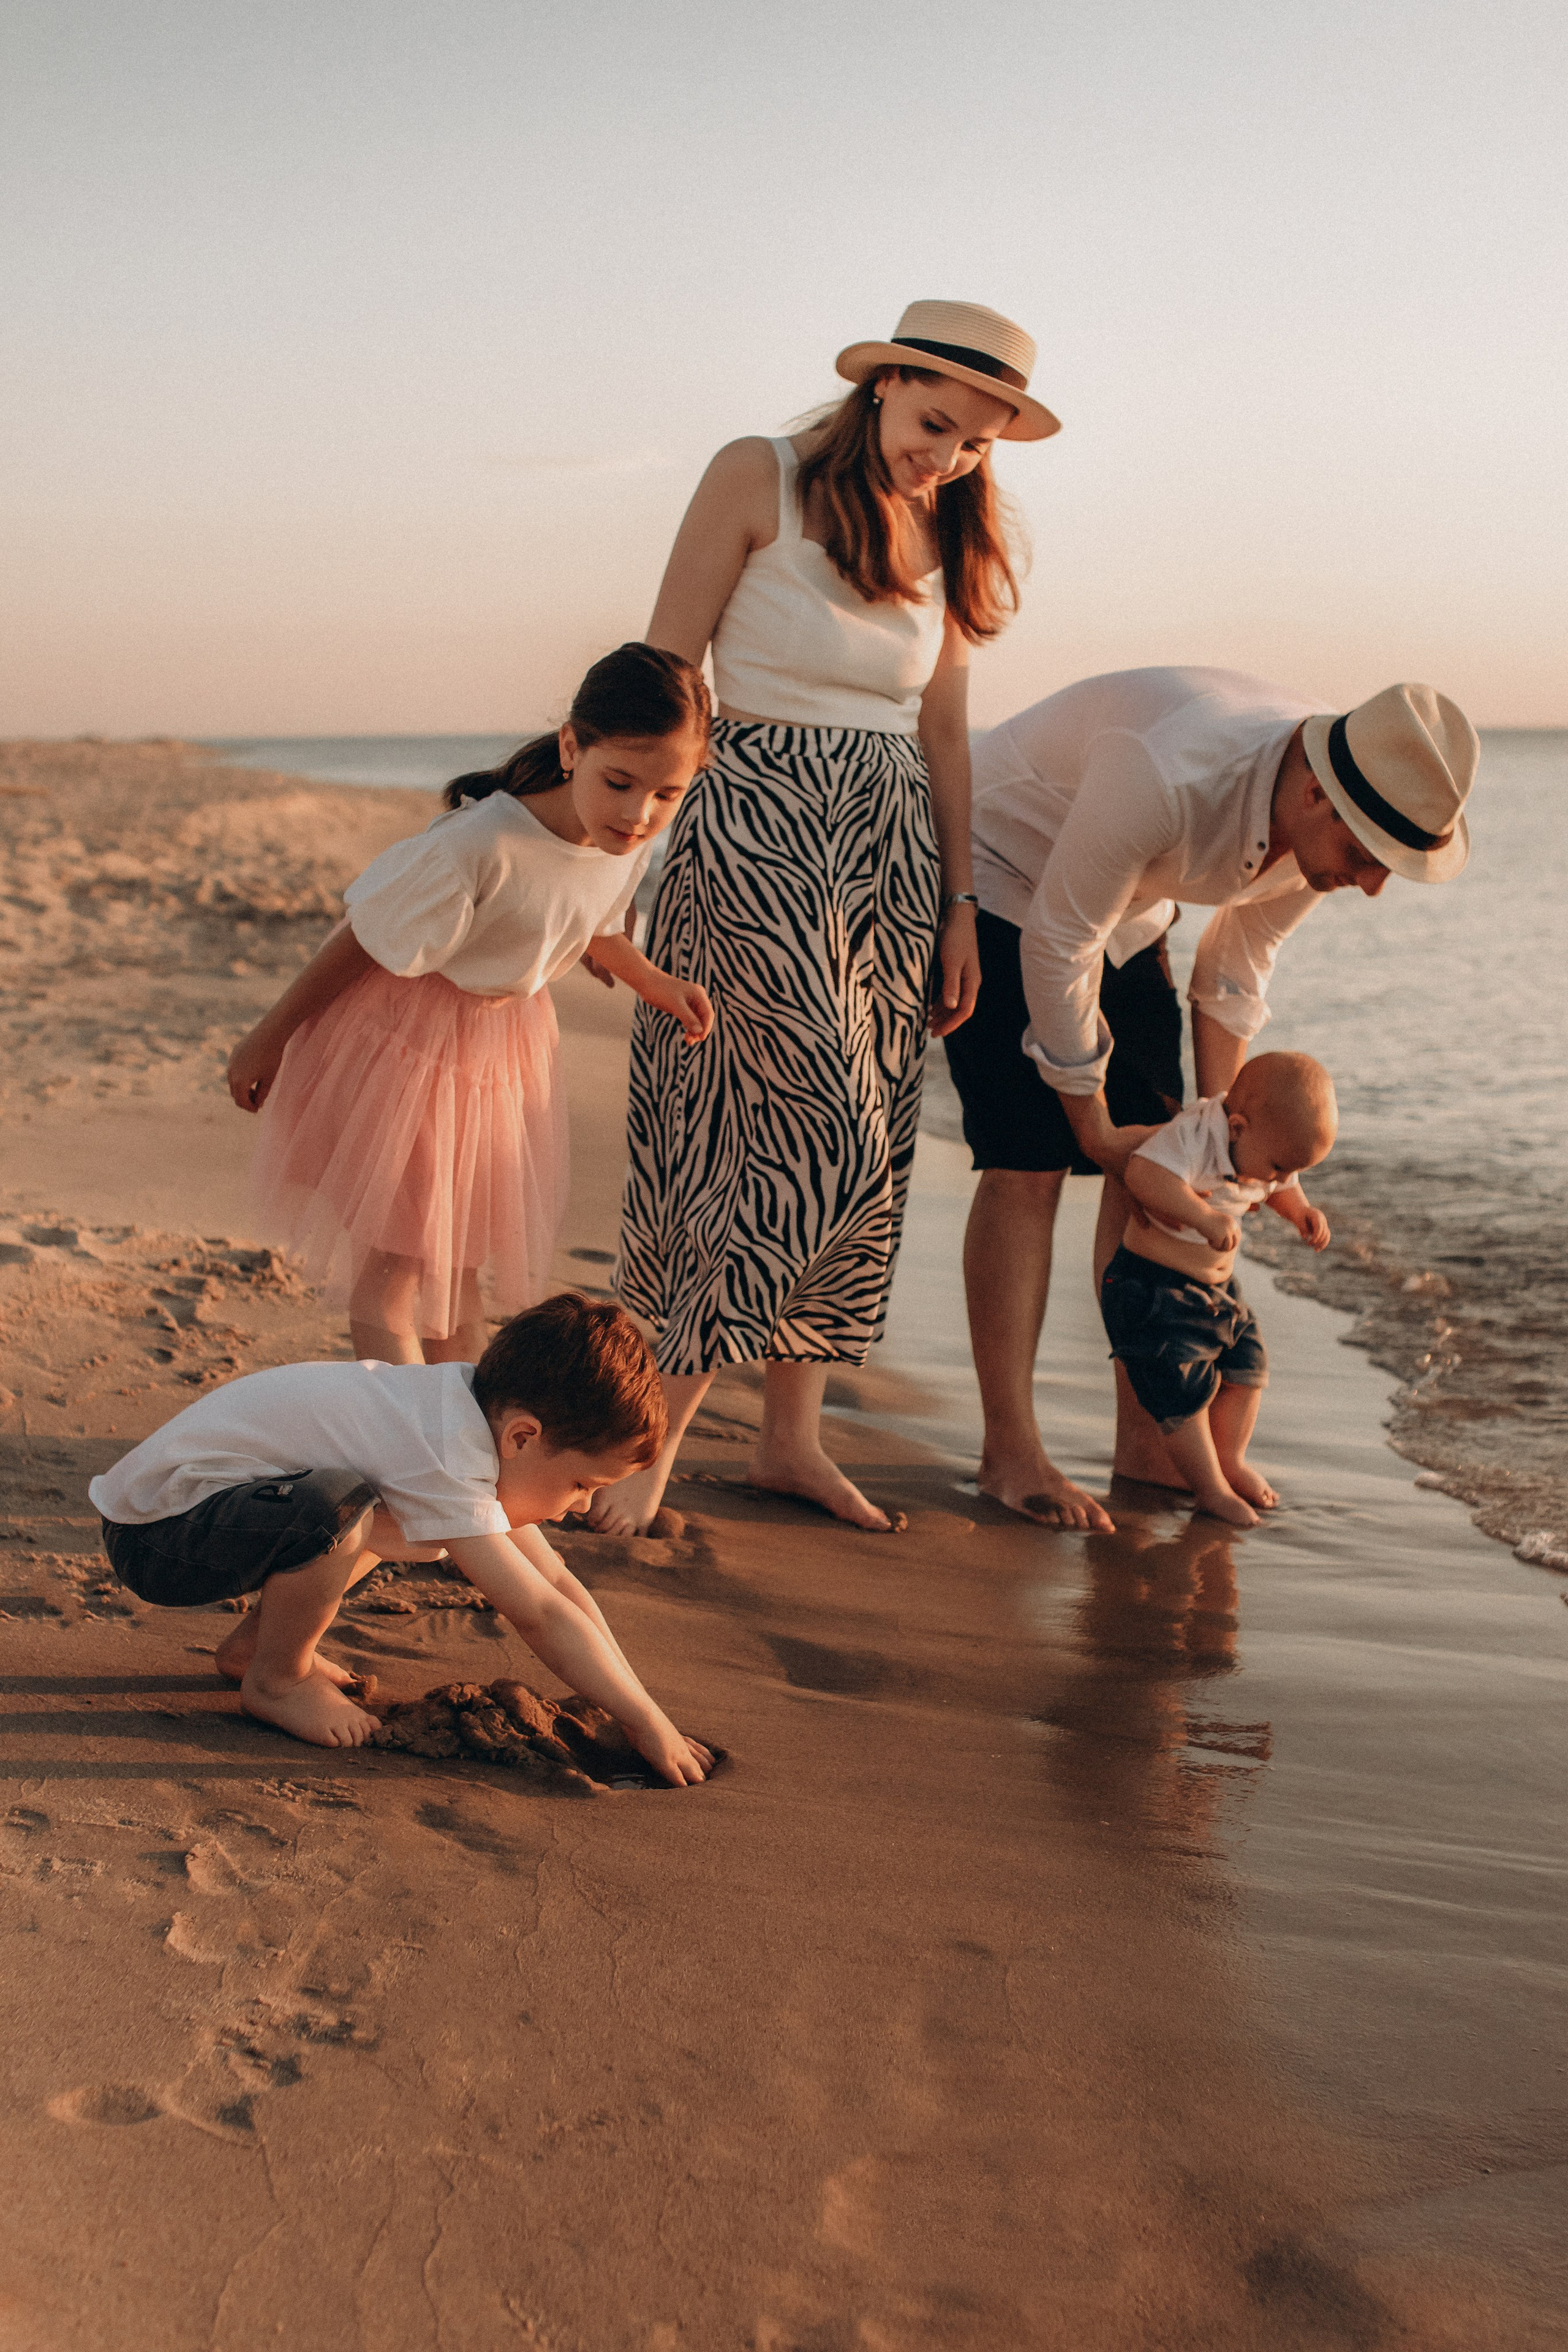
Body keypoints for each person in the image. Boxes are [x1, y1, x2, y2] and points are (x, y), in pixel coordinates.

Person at [597, 300, 1059, 1537]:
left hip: (886, 859)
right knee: (775, 1135)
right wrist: (618, 853)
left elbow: (944, 732)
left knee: (864, 1150)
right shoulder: (762, 475)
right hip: (748, 824)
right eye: (931, 422)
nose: (946, 456)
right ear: (882, 383)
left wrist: (960, 906)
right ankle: (653, 1441)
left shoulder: (954, 533)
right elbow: (664, 667)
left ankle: (789, 1441)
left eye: (973, 442)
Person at [945, 669, 1478, 1528]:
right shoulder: (1168, 774)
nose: (1373, 886)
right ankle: (1011, 1452)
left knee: (1155, 1150)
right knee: (1034, 1157)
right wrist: (1089, 1122)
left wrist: (1219, 1146)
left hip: (1128, 899)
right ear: (1314, 793)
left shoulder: (1317, 828)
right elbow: (1056, 942)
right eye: (1368, 860)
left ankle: (1151, 1440)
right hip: (1001, 866)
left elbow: (1234, 970)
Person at [227, 644, 713, 1365]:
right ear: (572, 746)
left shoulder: (624, 845)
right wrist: (268, 1037)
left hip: (503, 1055)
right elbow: (362, 937)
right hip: (409, 1044)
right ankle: (411, 1446)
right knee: (395, 1277)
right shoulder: (480, 845)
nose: (640, 813)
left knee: (457, 1277)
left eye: (666, 795)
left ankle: (459, 1443)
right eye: (619, 782)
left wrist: (652, 981)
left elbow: (596, 925)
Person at [90, 1292, 714, 1781]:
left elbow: (556, 1583)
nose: (579, 1508)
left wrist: (639, 1709)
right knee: (341, 1514)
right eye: (580, 1484)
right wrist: (644, 1723)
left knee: (387, 1519)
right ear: (523, 1437)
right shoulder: (444, 1454)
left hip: (203, 1512)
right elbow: (540, 1614)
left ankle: (255, 1651)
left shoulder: (466, 1409)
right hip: (159, 1536)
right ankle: (277, 1681)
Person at [1104, 1050, 1337, 1528]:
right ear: (1236, 1126)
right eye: (1276, 1166)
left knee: (1249, 1369)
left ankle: (1230, 1461)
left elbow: (1280, 1187)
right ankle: (1209, 1488)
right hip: (1153, 1291)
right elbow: (1143, 1173)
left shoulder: (1264, 1147)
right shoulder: (1194, 1134)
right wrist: (1201, 1215)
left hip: (1219, 1294)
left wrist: (1300, 1211)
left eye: (1290, 1171)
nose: (1276, 1179)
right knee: (1182, 1392)